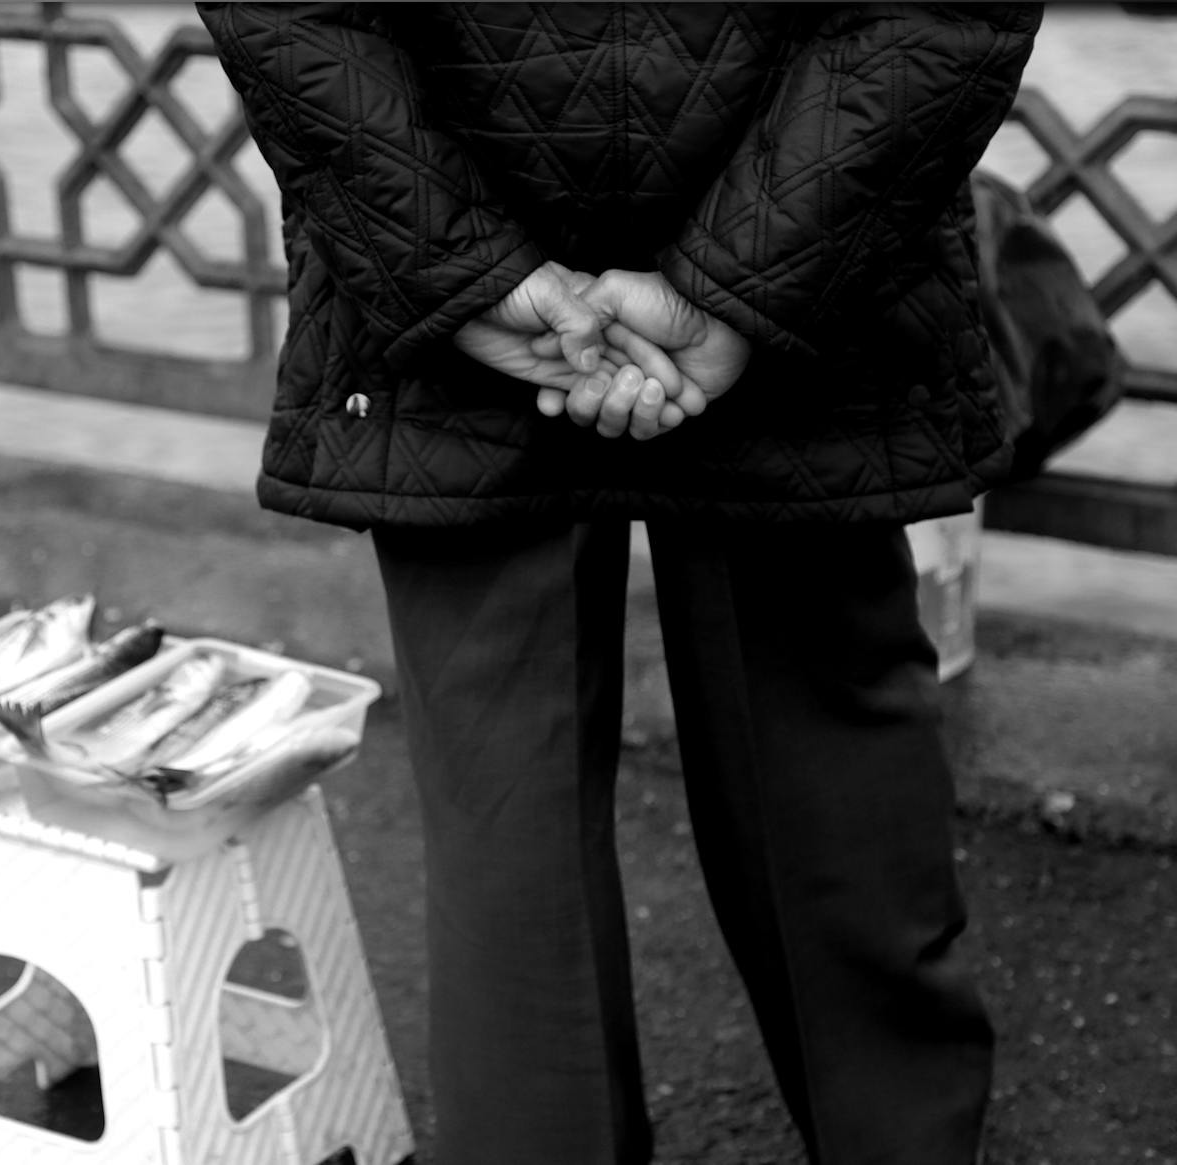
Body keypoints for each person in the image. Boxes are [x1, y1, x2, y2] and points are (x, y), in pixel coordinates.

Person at [196, 5, 1043, 1164]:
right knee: (826, 776)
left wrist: (471, 271)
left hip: (446, 232)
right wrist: (734, 286)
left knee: (507, 817)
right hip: (809, 232)